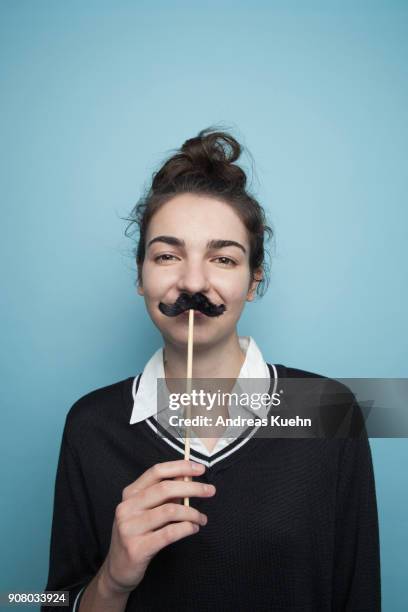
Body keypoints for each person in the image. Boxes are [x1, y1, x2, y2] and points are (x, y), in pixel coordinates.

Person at [42, 128, 381, 611]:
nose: (194, 281)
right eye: (166, 255)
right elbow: (44, 600)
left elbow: (359, 592)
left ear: (254, 279)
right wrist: (112, 580)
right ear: (140, 275)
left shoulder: (331, 410)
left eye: (223, 258)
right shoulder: (89, 424)